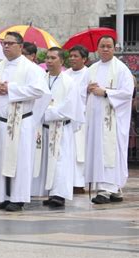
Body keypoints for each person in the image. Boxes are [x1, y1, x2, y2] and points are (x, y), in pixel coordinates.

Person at [0, 32, 48, 212]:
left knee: (19, 160)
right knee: (0, 160)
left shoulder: (31, 68)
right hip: (0, 121)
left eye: (10, 43)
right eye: (4, 43)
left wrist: (10, 89)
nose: (6, 46)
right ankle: (3, 196)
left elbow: (38, 90)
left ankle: (18, 198)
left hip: (21, 122)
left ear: (20, 47)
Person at [84, 35, 135, 204]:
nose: (105, 49)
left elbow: (128, 92)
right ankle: (115, 189)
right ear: (97, 49)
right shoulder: (91, 69)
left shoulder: (121, 69)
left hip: (113, 120)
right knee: (99, 152)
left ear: (114, 49)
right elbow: (79, 90)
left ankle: (106, 190)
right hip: (95, 120)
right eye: (102, 46)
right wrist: (87, 89)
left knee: (110, 152)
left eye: (109, 46)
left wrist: (106, 92)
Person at [32, 47, 84, 207]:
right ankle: (49, 191)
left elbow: (69, 108)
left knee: (60, 161)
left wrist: (46, 112)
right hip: (44, 128)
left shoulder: (69, 82)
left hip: (60, 128)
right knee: (45, 160)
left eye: (53, 58)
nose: (49, 61)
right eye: (47, 58)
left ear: (61, 61)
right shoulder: (41, 79)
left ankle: (59, 194)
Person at [64, 45, 89, 194]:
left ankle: (79, 182)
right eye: (71, 56)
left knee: (80, 151)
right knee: (68, 151)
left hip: (83, 118)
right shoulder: (65, 74)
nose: (72, 59)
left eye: (76, 56)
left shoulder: (89, 74)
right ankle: (68, 181)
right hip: (67, 118)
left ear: (84, 59)